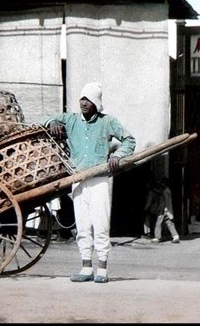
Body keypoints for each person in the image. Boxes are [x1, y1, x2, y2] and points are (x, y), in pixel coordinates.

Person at [43, 82, 136, 283]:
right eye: (82, 99)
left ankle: (102, 269)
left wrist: (118, 155)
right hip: (78, 180)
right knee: (83, 225)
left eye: (88, 100)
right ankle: (86, 267)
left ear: (96, 103)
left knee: (100, 224)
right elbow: (40, 120)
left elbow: (129, 140)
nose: (84, 103)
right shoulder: (71, 120)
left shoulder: (107, 122)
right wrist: (51, 121)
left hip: (99, 179)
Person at [143, 177, 180, 244]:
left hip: (163, 210)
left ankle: (157, 237)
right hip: (167, 210)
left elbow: (165, 201)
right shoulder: (167, 190)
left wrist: (165, 209)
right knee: (169, 223)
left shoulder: (165, 191)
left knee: (158, 223)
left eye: (162, 183)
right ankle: (175, 236)